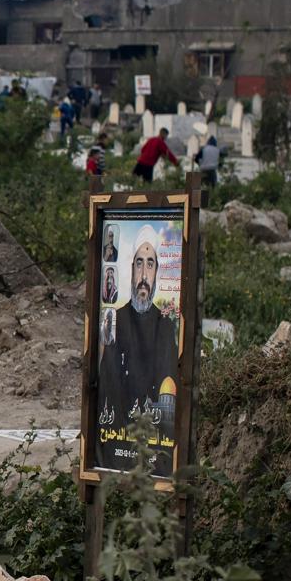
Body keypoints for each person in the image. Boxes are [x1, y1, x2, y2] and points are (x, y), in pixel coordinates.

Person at [97, 224, 179, 476]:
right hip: (118, 435)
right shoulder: (115, 320)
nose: (144, 274)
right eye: (139, 263)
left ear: (156, 272)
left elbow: (167, 391)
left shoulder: (165, 326)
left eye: (150, 264)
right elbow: (107, 388)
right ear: (132, 269)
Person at [197, 134, 221, 200]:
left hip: (203, 170)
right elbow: (220, 161)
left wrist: (200, 164)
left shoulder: (204, 149)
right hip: (212, 171)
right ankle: (212, 199)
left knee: (201, 186)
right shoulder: (217, 150)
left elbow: (197, 158)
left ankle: (201, 200)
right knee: (213, 187)